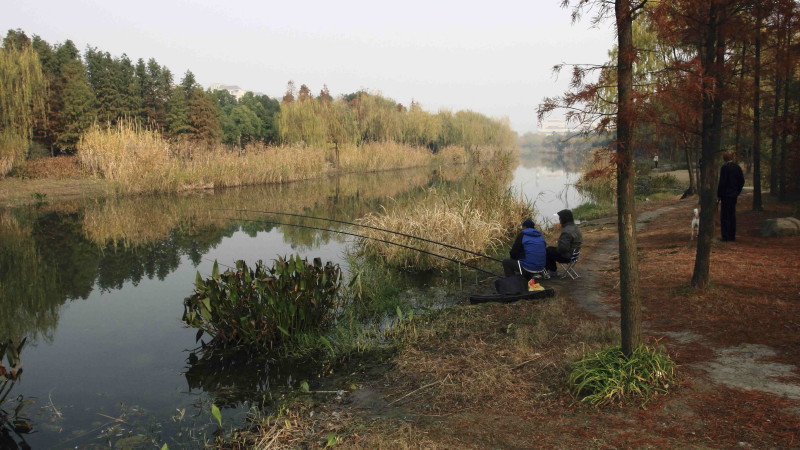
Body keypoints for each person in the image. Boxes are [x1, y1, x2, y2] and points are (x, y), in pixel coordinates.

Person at [717, 151, 745, 242]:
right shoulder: (737, 167)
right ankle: (732, 236)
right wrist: (737, 191)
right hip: (733, 195)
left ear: (724, 158)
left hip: (725, 195)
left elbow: (722, 182)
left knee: (725, 215)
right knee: (732, 215)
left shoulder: (724, 168)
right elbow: (742, 180)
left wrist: (719, 194)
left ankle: (726, 236)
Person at [546, 209, 583, 276]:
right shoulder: (575, 227)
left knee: (548, 250)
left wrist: (557, 248)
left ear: (563, 219)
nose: (559, 221)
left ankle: (552, 271)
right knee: (551, 249)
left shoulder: (567, 231)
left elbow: (563, 248)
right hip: (574, 255)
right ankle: (552, 270)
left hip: (567, 256)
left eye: (560, 218)